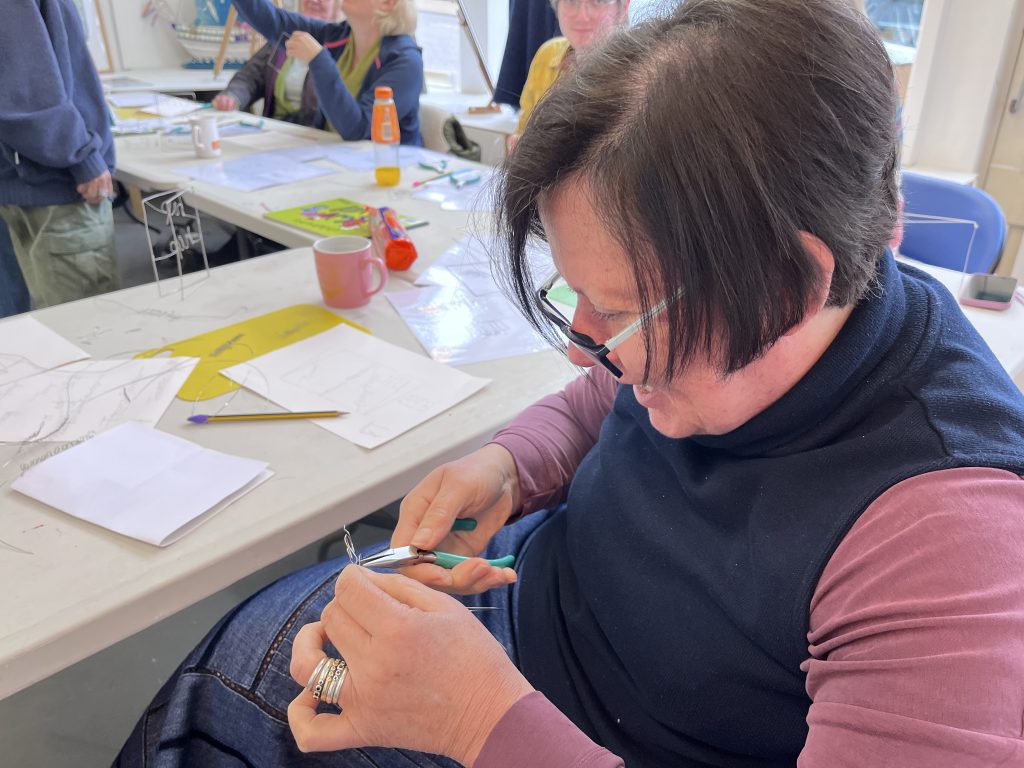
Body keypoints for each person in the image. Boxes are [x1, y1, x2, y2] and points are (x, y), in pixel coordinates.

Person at [116, 1, 1024, 766]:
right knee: (239, 668)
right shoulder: (757, 326)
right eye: (575, 293)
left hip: (549, 728)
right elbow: (605, 396)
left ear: (791, 285)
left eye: (619, 309)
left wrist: (480, 721)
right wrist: (512, 465)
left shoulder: (951, 547)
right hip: (521, 606)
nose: (585, 347)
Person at [0, 0, 120, 310]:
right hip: (58, 181)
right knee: (89, 323)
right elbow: (22, 86)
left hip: (36, 173)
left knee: (54, 320)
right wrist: (82, 156)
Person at [227, 0, 423, 144]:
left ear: (388, 3)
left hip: (390, 172)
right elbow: (274, 22)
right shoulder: (338, 36)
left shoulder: (405, 61)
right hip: (334, 158)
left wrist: (318, 59)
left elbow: (359, 129)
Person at [513, 0, 630, 139]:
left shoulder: (638, 70)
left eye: (599, 1)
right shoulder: (547, 54)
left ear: (624, 6)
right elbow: (524, 131)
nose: (582, 16)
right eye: (571, 1)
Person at [213, 0, 341, 126]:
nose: (314, 1)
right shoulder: (282, 39)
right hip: (274, 128)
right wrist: (232, 96)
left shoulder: (341, 49)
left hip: (315, 134)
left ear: (337, 5)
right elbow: (250, 77)